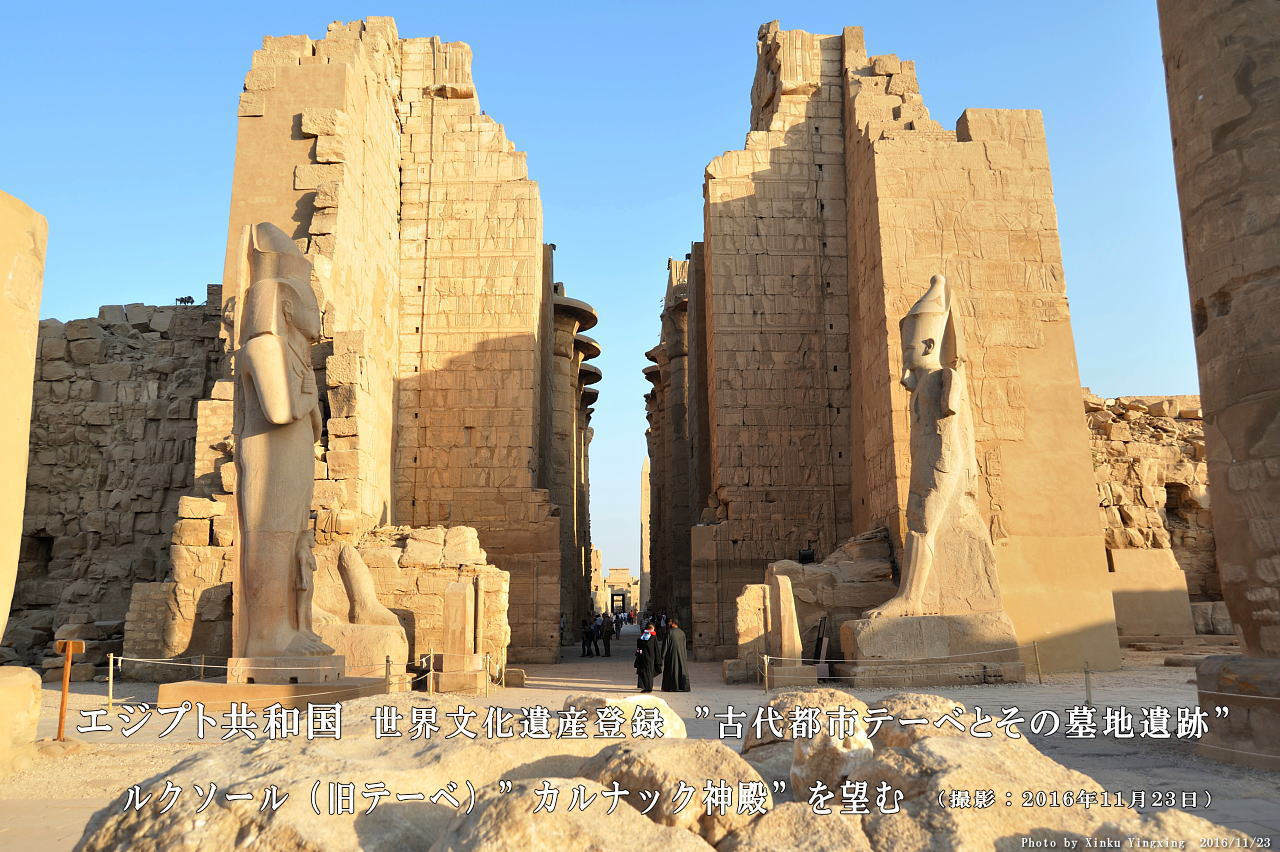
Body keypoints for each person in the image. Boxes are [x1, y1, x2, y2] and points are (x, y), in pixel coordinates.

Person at [660, 617, 691, 692]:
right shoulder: (682, 633)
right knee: (681, 670)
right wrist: (685, 656)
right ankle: (682, 686)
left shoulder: (669, 632)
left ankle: (671, 686)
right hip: (681, 655)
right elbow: (684, 646)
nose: (668, 623)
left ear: (673, 623)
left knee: (672, 670)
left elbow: (665, 645)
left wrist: (662, 655)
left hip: (671, 655)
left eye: (670, 622)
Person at [634, 622, 661, 692]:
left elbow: (643, 645)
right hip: (648, 657)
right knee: (647, 672)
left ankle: (648, 688)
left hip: (647, 657)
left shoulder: (648, 636)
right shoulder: (651, 636)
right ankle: (647, 687)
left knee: (647, 673)